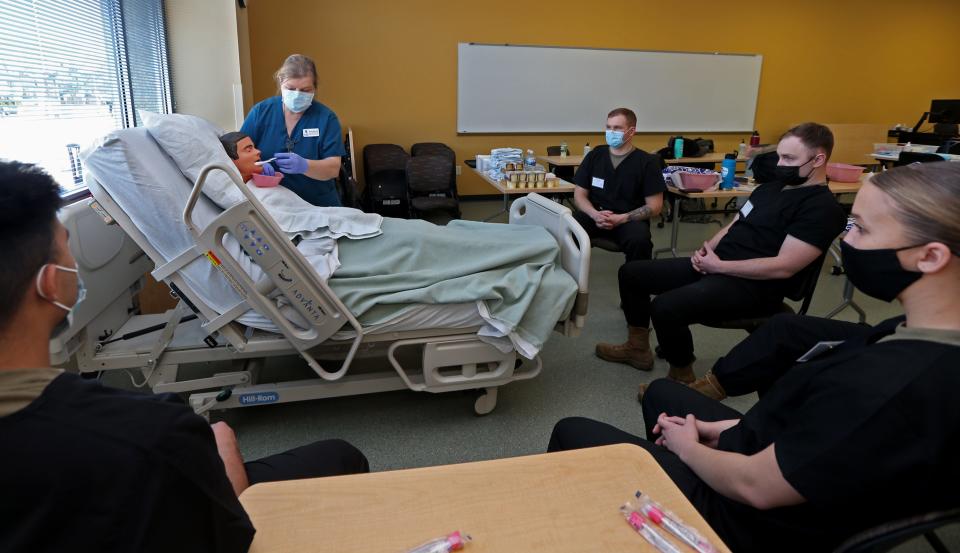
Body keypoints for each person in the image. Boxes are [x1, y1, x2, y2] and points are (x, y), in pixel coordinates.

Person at [548, 162, 960, 553]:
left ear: (930, 256)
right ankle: (657, 484)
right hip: (781, 453)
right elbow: (820, 432)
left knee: (571, 431)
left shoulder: (888, 384)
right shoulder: (911, 334)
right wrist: (724, 430)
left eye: (862, 229)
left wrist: (689, 447)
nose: (845, 241)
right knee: (661, 393)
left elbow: (756, 487)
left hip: (743, 520)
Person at [0, 160, 369, 553]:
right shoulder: (147, 434)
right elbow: (229, 524)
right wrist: (220, 441)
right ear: (51, 283)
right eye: (67, 248)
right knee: (341, 456)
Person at [596, 122, 847, 393]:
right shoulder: (770, 189)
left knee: (667, 307)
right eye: (780, 156)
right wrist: (708, 248)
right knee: (632, 273)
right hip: (718, 264)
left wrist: (720, 265)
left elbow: (784, 266)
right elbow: (737, 222)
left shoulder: (821, 208)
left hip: (756, 285)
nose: (780, 164)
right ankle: (637, 348)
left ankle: (681, 376)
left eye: (789, 159)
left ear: (818, 159)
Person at [241, 54, 345, 207]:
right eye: (290, 89)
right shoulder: (261, 113)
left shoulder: (326, 119)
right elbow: (238, 154)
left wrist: (305, 166)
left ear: (315, 88)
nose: (297, 95)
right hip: (273, 205)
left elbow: (333, 168)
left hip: (318, 205)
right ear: (280, 83)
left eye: (305, 90)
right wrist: (258, 166)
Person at [572, 107, 665, 262]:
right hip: (594, 215)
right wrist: (594, 214)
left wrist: (621, 218)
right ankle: (569, 279)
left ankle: (635, 282)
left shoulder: (647, 162)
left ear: (631, 131)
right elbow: (579, 194)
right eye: (608, 127)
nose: (611, 132)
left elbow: (655, 206)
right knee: (567, 227)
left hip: (628, 219)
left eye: (617, 128)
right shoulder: (595, 156)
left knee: (640, 241)